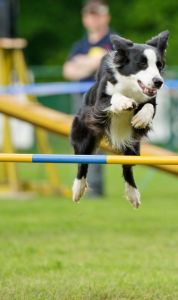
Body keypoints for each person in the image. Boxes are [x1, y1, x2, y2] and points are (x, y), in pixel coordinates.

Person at [63, 0, 113, 198]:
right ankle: (86, 187)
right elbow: (67, 71)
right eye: (90, 15)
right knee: (81, 143)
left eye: (97, 14)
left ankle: (94, 190)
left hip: (104, 101)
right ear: (85, 19)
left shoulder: (114, 41)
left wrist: (82, 63)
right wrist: (92, 62)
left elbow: (107, 61)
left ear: (106, 17)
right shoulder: (80, 45)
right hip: (81, 101)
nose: (93, 19)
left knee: (94, 144)